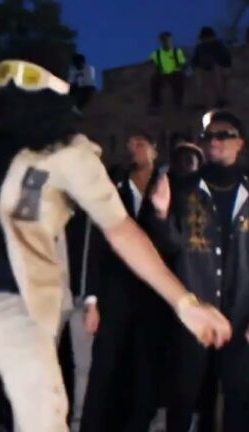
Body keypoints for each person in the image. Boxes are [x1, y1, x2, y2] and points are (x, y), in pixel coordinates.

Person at [0, 1, 232, 431]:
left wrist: (185, 303)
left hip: (20, 311)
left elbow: (121, 230)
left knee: (45, 420)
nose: (11, 86)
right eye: (6, 76)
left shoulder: (71, 155)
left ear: (51, 89)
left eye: (26, 79)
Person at [147, 111, 249, 432]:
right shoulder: (184, 192)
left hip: (242, 318)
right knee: (185, 401)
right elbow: (169, 248)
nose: (215, 141)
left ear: (240, 143)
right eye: (208, 136)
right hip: (194, 318)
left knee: (238, 402)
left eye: (224, 135)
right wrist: (160, 214)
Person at [80, 132, 171, 432]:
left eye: (141, 144)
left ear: (154, 150)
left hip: (153, 293)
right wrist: (91, 300)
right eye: (130, 145)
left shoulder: (166, 186)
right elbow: (97, 245)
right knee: (105, 364)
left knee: (145, 366)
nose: (135, 150)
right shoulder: (115, 187)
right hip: (114, 291)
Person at [192, 27, 231, 109]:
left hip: (217, 67)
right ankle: (201, 101)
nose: (206, 40)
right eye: (204, 38)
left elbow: (226, 57)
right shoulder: (200, 47)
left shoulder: (218, 45)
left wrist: (226, 66)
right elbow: (195, 60)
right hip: (204, 68)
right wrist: (196, 67)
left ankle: (221, 99)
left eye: (208, 37)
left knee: (217, 73)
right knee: (198, 76)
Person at [150, 31, 187, 111]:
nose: (166, 42)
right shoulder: (156, 53)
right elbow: (151, 63)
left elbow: (183, 63)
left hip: (175, 73)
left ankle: (178, 103)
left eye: (168, 40)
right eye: (164, 40)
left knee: (178, 79)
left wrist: (179, 68)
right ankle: (155, 104)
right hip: (162, 73)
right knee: (154, 80)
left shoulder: (177, 51)